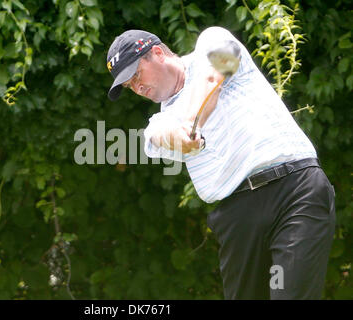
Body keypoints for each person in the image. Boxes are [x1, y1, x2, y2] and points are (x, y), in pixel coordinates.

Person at [105, 27, 336, 300]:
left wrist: (192, 123)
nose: (137, 87)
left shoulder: (213, 40)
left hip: (295, 191)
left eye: (136, 75)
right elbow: (158, 135)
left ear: (157, 53)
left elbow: (212, 78)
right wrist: (178, 137)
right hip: (238, 216)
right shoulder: (162, 118)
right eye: (129, 85)